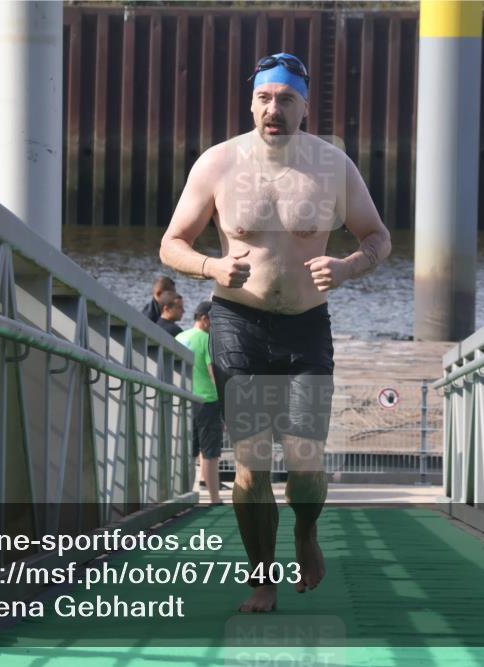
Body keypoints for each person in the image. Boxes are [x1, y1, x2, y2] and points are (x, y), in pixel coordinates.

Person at [159, 52, 391, 612]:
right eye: (264, 98)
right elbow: (171, 243)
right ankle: (262, 578)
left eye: (286, 99)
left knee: (306, 462)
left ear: (304, 107)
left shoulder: (332, 167)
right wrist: (212, 267)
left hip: (307, 327)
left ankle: (305, 531)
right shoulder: (218, 164)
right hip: (238, 323)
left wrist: (346, 267)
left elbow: (377, 237)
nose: (274, 109)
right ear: (251, 103)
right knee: (252, 462)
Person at [175, 301, 225, 504]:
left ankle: (185, 495)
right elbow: (213, 373)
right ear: (204, 319)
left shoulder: (180, 337)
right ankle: (214, 498)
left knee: (188, 451)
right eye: (215, 321)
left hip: (184, 399)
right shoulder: (207, 339)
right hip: (207, 400)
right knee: (210, 453)